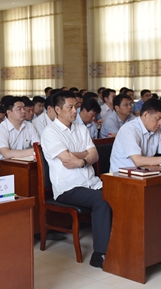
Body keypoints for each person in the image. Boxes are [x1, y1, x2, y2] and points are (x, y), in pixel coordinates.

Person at [41, 91, 112, 269]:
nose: (75, 110)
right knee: (102, 201)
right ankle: (100, 255)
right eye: (70, 107)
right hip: (68, 187)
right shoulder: (50, 132)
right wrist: (84, 155)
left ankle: (122, 244)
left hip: (91, 182)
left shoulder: (81, 128)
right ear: (58, 109)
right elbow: (66, 159)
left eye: (76, 106)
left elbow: (94, 155)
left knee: (121, 193)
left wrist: (81, 160)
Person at [110, 98, 161, 173]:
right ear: (146, 114)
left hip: (144, 173)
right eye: (158, 119)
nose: (160, 123)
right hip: (122, 176)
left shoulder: (155, 130)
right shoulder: (129, 129)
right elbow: (138, 161)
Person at [0, 97, 39, 178]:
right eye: (19, 109)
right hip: (0, 169)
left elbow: (38, 145)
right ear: (9, 112)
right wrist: (33, 151)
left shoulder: (29, 126)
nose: (23, 111)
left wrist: (35, 150)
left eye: (24, 108)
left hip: (22, 166)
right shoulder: (1, 129)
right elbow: (7, 154)